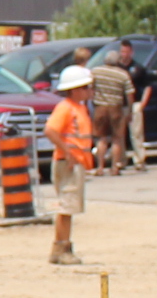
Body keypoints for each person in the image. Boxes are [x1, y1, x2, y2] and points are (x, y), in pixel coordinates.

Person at [43, 64, 95, 265]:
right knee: (66, 206)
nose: (90, 91)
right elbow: (50, 130)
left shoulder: (79, 108)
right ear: (74, 89)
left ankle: (62, 246)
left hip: (75, 162)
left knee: (70, 207)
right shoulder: (65, 108)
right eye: (85, 87)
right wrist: (67, 151)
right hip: (67, 163)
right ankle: (61, 248)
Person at [81, 44, 133, 175]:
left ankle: (100, 167)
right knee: (116, 138)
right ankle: (115, 167)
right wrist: (130, 110)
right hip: (116, 108)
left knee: (101, 139)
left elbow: (90, 89)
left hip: (100, 108)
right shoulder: (123, 75)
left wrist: (87, 104)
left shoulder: (96, 72)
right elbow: (130, 94)